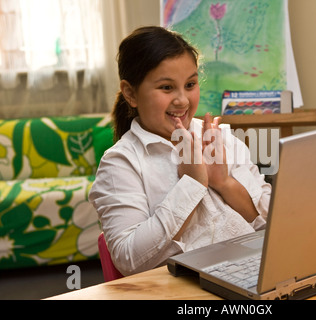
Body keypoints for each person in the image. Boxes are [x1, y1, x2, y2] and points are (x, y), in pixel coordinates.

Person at [89, 26, 271, 276]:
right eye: (166, 88)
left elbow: (271, 229)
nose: (183, 100)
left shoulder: (220, 138)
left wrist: (225, 182)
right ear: (131, 93)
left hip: (251, 275)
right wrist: (193, 183)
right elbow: (129, 260)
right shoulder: (120, 163)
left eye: (190, 84)